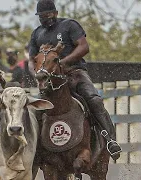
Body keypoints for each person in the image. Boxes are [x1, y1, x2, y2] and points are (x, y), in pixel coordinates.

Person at [29, 0, 121, 160]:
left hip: (75, 73)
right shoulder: (37, 34)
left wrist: (64, 62)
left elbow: (83, 47)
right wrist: (38, 74)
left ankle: (109, 140)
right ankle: (35, 150)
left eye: (48, 14)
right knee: (35, 109)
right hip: (50, 80)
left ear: (55, 13)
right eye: (42, 16)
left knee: (94, 100)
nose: (45, 18)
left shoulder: (69, 25)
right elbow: (32, 59)